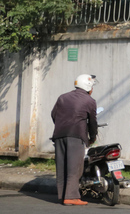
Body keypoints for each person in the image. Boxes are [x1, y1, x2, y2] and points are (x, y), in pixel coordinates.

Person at [51, 74, 99, 206]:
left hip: (59, 135)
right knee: (74, 167)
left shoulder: (62, 97)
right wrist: (92, 136)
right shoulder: (90, 101)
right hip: (76, 135)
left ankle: (62, 195)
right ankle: (71, 197)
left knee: (61, 166)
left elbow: (53, 114)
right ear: (88, 87)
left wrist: (61, 126)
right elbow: (93, 122)